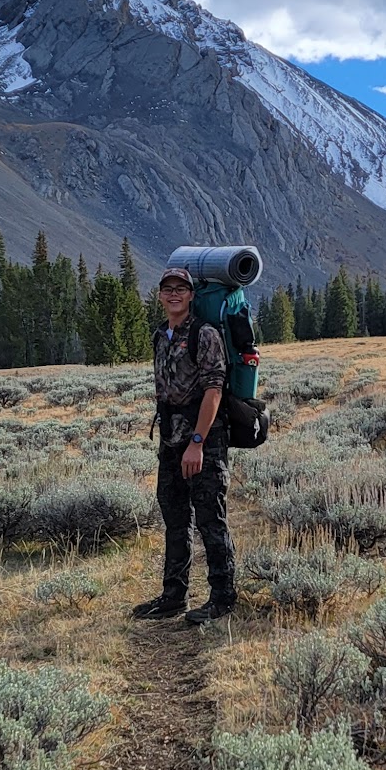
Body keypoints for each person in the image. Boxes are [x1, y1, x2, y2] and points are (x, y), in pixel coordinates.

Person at [131, 262, 236, 624]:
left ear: (191, 295)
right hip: (170, 441)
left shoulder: (204, 334)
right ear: (160, 295)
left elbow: (214, 389)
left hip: (202, 441)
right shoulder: (162, 334)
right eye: (167, 288)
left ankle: (222, 598)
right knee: (175, 519)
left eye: (181, 288)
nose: (174, 294)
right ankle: (173, 596)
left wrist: (197, 442)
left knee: (210, 519)